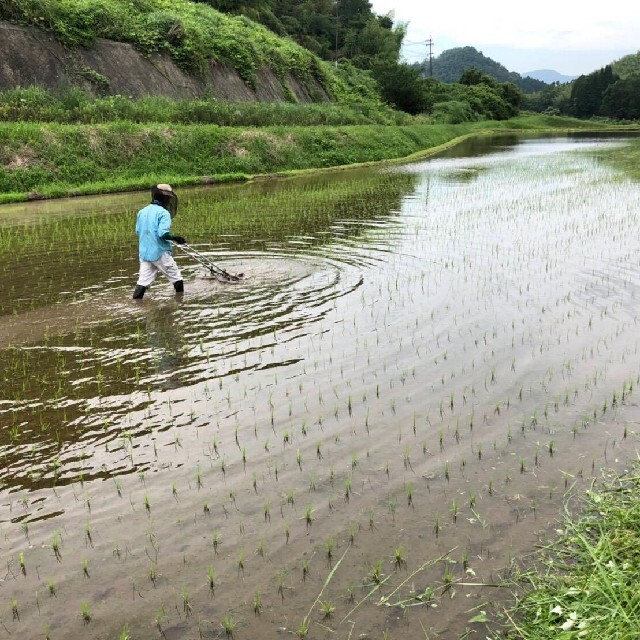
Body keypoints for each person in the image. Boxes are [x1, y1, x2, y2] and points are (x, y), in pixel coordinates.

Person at [133, 183, 187, 299]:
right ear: (164, 198)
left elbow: (138, 231)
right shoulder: (164, 213)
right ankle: (180, 303)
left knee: (143, 282)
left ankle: (136, 305)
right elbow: (163, 234)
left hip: (145, 254)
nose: (168, 200)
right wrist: (175, 238)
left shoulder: (142, 212)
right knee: (177, 278)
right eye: (168, 198)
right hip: (160, 253)